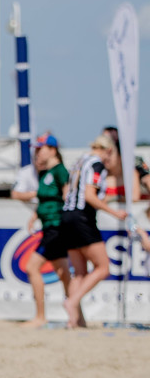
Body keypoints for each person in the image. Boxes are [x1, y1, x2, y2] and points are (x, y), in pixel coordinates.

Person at [61, 135, 126, 329]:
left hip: (67, 216)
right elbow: (90, 196)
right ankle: (72, 302)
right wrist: (115, 212)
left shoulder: (80, 160)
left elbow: (68, 192)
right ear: (108, 151)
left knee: (79, 273)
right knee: (103, 267)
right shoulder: (97, 164)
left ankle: (75, 320)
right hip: (82, 219)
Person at [17, 134, 73, 328]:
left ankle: (40, 316)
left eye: (41, 148)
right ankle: (77, 317)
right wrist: (35, 215)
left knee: (32, 268)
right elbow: (44, 200)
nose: (37, 152)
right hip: (49, 225)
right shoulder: (44, 173)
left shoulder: (60, 171)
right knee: (63, 272)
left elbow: (68, 198)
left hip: (57, 227)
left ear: (53, 149)